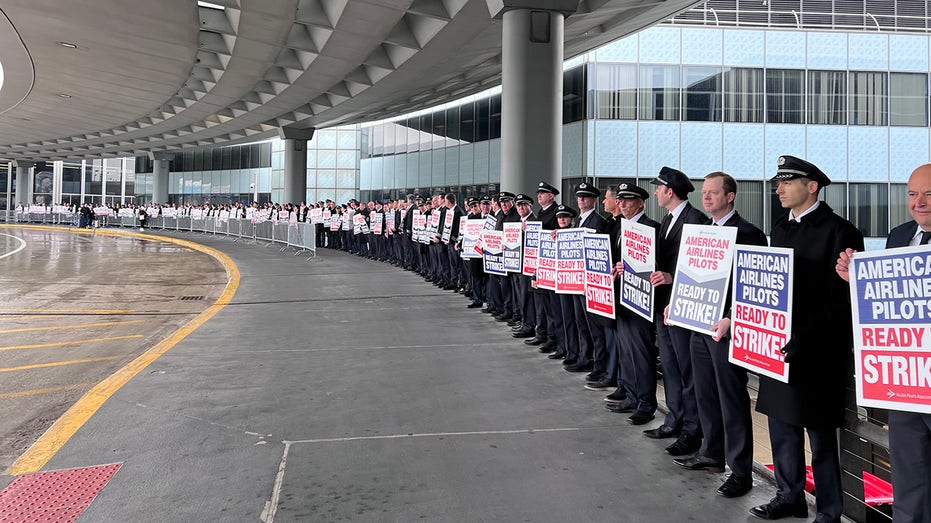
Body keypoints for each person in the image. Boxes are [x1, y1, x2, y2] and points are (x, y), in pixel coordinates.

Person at [750, 155, 864, 523]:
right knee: (781, 426)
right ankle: (789, 496)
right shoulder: (781, 227)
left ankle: (829, 511)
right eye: (778, 182)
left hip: (818, 350)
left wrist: (805, 334)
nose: (778, 188)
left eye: (787, 182)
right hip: (779, 345)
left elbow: (841, 298)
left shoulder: (840, 231)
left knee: (820, 436)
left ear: (811, 186)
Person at [835, 164, 931, 523]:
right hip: (905, 383)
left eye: (929, 194)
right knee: (909, 474)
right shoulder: (899, 236)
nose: (919, 202)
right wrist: (855, 279)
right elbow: (884, 300)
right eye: (912, 194)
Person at [673, 172, 766, 499]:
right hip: (698, 325)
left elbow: (754, 285)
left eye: (714, 193)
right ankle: (712, 454)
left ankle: (740, 472)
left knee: (732, 399)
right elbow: (691, 274)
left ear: (731, 196)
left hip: (727, 330)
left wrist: (731, 317)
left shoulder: (750, 234)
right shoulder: (699, 233)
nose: (707, 197)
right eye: (705, 192)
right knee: (705, 392)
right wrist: (676, 304)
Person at [646, 167, 707, 457]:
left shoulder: (696, 221)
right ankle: (675, 419)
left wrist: (671, 277)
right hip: (663, 306)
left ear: (670, 191)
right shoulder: (667, 220)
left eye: (658, 188)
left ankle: (692, 430)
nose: (655, 192)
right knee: (670, 367)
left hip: (684, 308)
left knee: (687, 371)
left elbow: (702, 266)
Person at [606, 183, 661, 426]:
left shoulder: (651, 228)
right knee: (626, 351)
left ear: (641, 203)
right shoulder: (622, 227)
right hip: (623, 297)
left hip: (642, 300)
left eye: (628, 200)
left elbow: (656, 264)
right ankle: (630, 395)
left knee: (641, 353)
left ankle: (647, 402)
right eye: (620, 199)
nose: (622, 203)